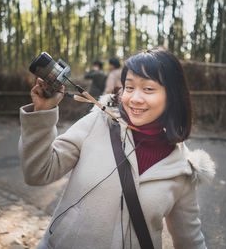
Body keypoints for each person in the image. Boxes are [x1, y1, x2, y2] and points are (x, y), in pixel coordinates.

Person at [19, 48, 215, 249]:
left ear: (172, 96)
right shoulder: (97, 122)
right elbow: (38, 173)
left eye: (148, 89)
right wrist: (42, 113)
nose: (135, 98)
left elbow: (191, 241)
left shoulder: (182, 169)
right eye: (129, 88)